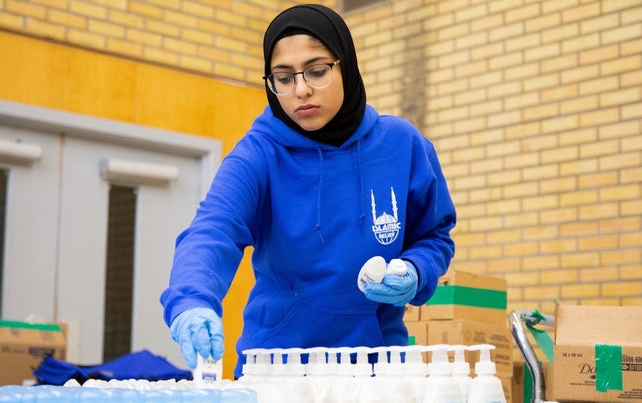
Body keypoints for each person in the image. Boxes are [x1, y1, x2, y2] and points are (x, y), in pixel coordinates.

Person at [160, 4, 456, 378]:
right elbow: (212, 230)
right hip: (276, 370)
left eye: (317, 72)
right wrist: (192, 301)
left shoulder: (402, 146)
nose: (301, 90)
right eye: (283, 78)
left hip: (376, 373)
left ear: (345, 65)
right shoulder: (259, 154)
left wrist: (417, 269)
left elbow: (434, 235)